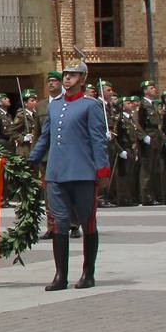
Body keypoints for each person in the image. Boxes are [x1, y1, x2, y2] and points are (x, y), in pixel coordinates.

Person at [30, 63, 110, 291]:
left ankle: (88, 273)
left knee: (87, 222)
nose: (67, 79)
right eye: (65, 74)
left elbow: (98, 139)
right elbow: (45, 138)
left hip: (82, 172)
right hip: (56, 173)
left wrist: (102, 170)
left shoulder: (91, 106)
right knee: (59, 224)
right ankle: (60, 276)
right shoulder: (54, 107)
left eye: (72, 75)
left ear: (83, 78)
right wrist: (32, 159)